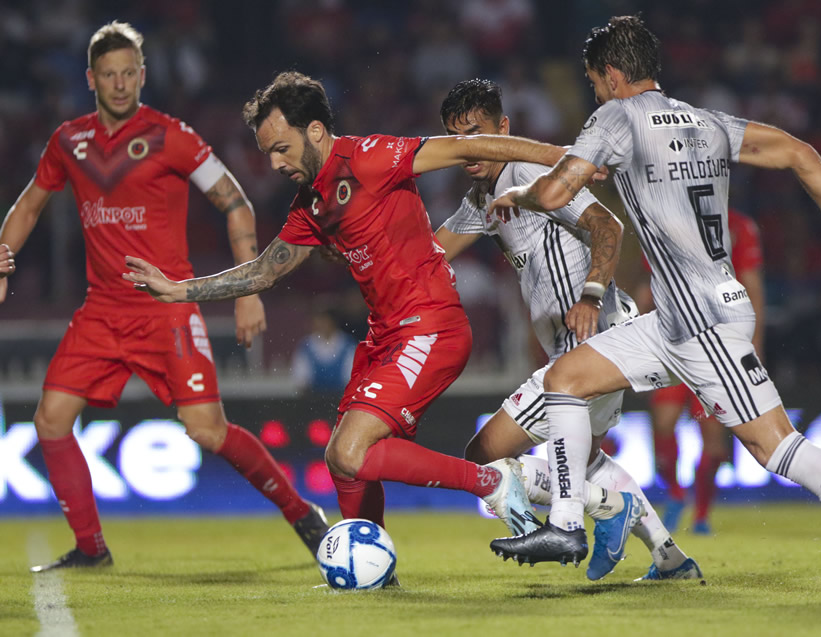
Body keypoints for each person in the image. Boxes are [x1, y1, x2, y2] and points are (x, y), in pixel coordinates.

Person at [486, 15, 821, 595]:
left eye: (595, 82)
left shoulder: (616, 116)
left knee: (775, 449)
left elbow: (552, 192)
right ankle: (568, 525)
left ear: (614, 75)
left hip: (704, 320)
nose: (594, 94)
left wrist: (517, 192)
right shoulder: (706, 121)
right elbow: (799, 153)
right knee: (566, 377)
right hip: (676, 318)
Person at [122, 70, 586, 551]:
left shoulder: (369, 157)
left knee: (350, 449)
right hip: (385, 337)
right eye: (268, 153)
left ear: (315, 131)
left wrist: (568, 161)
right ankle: (372, 563)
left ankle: (493, 485)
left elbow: (471, 147)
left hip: (430, 327)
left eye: (282, 148)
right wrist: (179, 291)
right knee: (342, 461)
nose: (275, 163)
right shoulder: (311, 204)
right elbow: (264, 271)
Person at [0, 22, 329, 572]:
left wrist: (248, 292)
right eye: (109, 74)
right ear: (91, 79)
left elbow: (236, 202)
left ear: (143, 75)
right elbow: (29, 204)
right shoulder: (68, 142)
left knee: (207, 431)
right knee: (50, 420)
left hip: (166, 310)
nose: (121, 83)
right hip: (101, 311)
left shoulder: (172, 136)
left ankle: (301, 513)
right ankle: (91, 549)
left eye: (130, 73)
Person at [434, 79, 701, 580]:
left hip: (591, 341)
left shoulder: (530, 172)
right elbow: (430, 255)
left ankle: (599, 510)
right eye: (457, 137)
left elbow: (607, 225)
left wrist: (591, 293)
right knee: (587, 460)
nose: (470, 148)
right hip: (581, 343)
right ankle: (670, 559)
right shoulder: (481, 197)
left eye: (478, 132)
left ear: (503, 129)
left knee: (482, 457)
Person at [650, 208, 765, 536]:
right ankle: (674, 493)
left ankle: (701, 516)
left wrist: (754, 346)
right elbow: (652, 283)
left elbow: (752, 286)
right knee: (663, 424)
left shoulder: (739, 227)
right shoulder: (670, 222)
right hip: (675, 343)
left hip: (719, 349)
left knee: (713, 444)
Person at [291, 302, 357, 396]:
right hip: (312, 401)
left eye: (324, 320)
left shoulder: (349, 345)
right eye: (318, 320)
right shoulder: (305, 346)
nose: (320, 324)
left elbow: (351, 381)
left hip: (341, 400)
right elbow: (301, 381)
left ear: (333, 321)